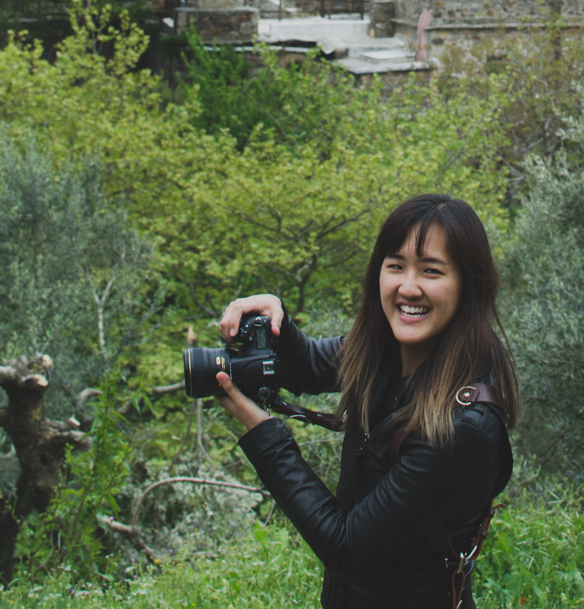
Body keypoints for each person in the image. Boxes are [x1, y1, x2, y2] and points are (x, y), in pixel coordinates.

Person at [216, 193, 519, 609]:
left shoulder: (463, 427)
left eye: (431, 271)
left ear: (469, 285)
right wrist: (276, 322)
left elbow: (346, 548)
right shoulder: (384, 351)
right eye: (395, 266)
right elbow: (306, 366)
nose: (407, 287)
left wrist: (267, 437)